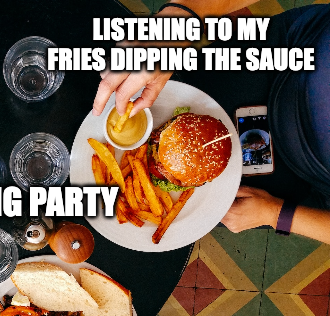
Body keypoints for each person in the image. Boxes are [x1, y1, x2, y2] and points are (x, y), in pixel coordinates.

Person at [92, 1, 330, 245]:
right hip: (288, 46)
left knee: (217, 206)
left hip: (299, 173)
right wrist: (178, 20)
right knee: (187, 74)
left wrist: (276, 214)